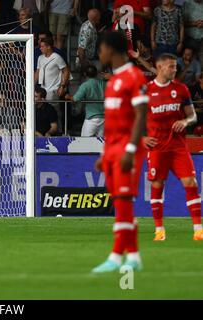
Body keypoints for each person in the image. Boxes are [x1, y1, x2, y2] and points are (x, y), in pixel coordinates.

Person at [92, 31, 149, 273]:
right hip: (113, 149)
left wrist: (131, 148)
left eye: (101, 49)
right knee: (120, 202)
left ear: (110, 49)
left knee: (124, 201)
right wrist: (105, 154)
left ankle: (116, 256)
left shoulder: (134, 77)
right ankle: (134, 256)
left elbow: (141, 116)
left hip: (128, 148)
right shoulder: (113, 81)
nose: (99, 54)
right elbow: (113, 123)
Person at [143, 53, 203, 241]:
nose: (175, 69)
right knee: (157, 185)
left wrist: (185, 122)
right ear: (159, 67)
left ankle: (198, 230)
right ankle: (159, 230)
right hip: (157, 147)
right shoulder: (146, 91)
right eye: (171, 67)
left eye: (175, 66)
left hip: (178, 146)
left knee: (190, 183)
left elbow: (192, 116)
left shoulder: (181, 89)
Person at [65, 65, 105, 137]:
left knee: (84, 140)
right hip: (104, 118)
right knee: (102, 143)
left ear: (85, 74)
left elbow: (75, 99)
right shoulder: (103, 83)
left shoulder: (85, 85)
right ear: (96, 73)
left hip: (91, 118)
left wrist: (68, 96)